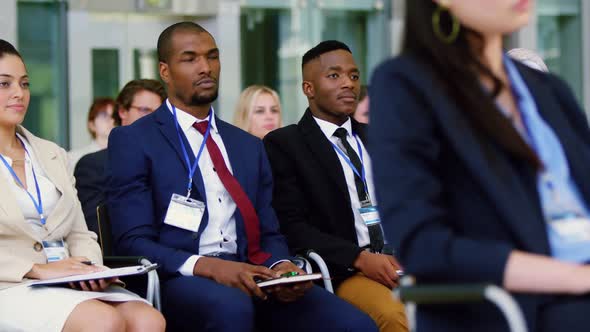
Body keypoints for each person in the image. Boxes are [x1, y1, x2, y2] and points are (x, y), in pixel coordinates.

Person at [105, 22, 378, 332]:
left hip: (254, 273)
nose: (205, 67)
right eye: (190, 58)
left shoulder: (247, 146)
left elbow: (269, 231)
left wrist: (282, 267)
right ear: (165, 71)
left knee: (354, 324)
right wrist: (210, 267)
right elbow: (133, 241)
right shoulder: (135, 140)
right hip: (181, 277)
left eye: (212, 56)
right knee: (231, 307)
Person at [369, 1, 590, 331]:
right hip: (523, 304)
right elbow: (423, 244)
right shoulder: (406, 84)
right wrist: (575, 277)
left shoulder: (548, 89)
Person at [0, 39, 165, 332]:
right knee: (102, 321)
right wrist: (37, 269)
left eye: (24, 84)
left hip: (63, 278)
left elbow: (80, 232)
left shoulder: (50, 154)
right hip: (10, 283)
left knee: (148, 319)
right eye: (4, 84)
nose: (19, 94)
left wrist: (87, 266)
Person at [264, 40, 408, 332]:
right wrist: (360, 258)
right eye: (334, 76)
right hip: (346, 269)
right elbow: (293, 227)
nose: (348, 84)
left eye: (354, 76)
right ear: (308, 88)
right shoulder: (286, 144)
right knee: (394, 314)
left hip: (402, 260)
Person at [74, 79, 166, 235]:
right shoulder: (93, 165)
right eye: (145, 110)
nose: (153, 119)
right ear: (122, 112)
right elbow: (97, 233)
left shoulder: (171, 162)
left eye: (158, 113)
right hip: (128, 255)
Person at [67, 97, 115, 172]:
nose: (111, 120)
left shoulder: (124, 156)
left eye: (114, 116)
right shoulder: (74, 157)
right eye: (104, 115)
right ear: (92, 124)